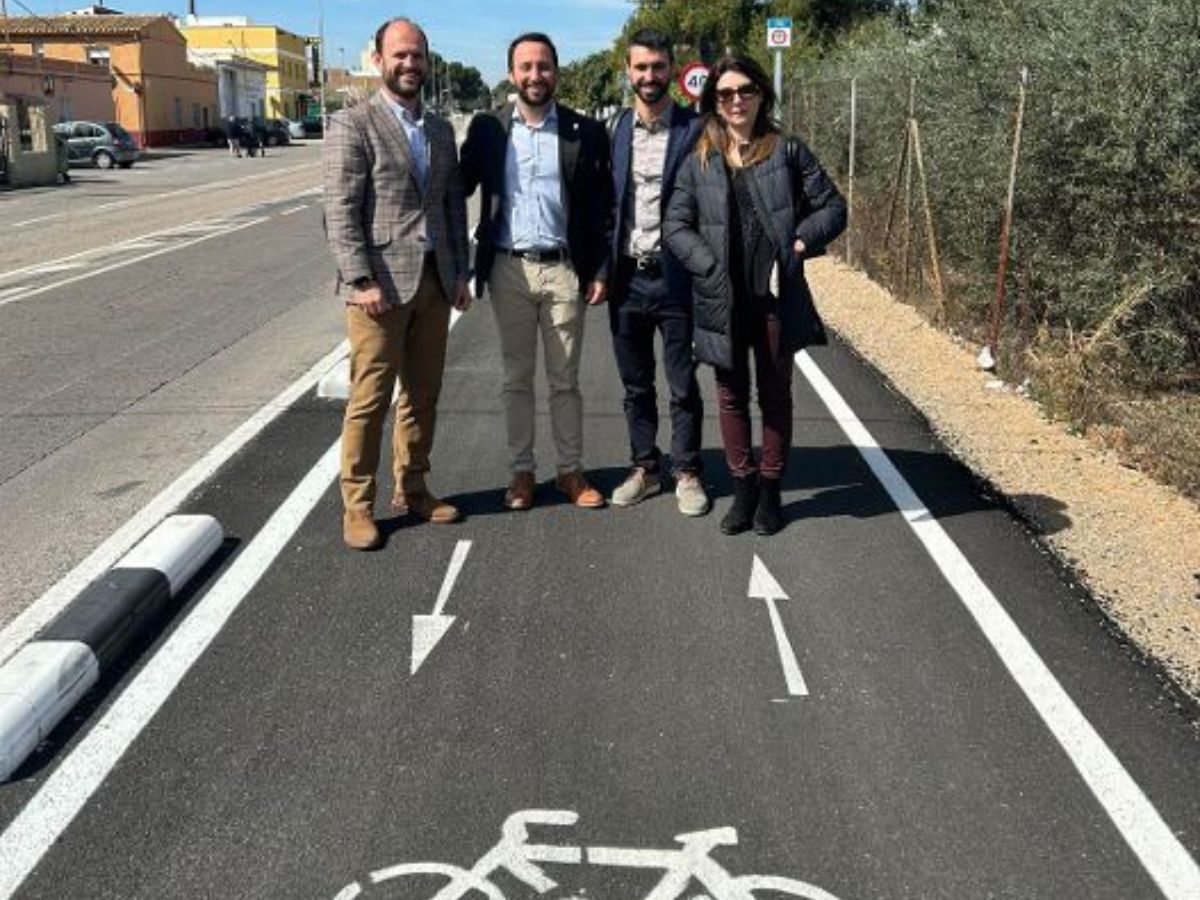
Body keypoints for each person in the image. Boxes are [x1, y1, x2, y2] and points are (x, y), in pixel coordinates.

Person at [663, 55, 846, 536]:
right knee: (730, 396)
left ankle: (770, 492)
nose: (736, 100)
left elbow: (833, 207)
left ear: (762, 93)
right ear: (713, 102)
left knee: (776, 395)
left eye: (745, 90)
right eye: (725, 94)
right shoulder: (699, 157)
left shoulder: (786, 150)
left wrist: (800, 243)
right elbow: (675, 226)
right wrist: (708, 268)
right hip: (722, 300)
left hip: (774, 298)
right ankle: (742, 490)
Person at [323, 16, 471, 550]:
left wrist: (460, 274)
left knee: (423, 395)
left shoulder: (438, 130)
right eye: (400, 55)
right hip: (378, 290)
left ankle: (413, 488)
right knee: (369, 399)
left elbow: (453, 206)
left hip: (434, 284)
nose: (410, 64)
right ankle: (357, 505)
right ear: (378, 60)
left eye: (417, 55)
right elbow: (340, 211)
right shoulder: (353, 124)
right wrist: (359, 278)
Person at [460, 32, 612, 511]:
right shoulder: (488, 129)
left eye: (543, 66)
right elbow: (456, 186)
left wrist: (601, 269)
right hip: (509, 270)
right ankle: (521, 473)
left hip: (565, 270)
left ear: (556, 72)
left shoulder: (582, 131)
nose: (534, 75)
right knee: (516, 378)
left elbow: (601, 207)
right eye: (525, 67)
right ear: (512, 74)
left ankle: (570, 471)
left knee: (565, 380)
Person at [605, 28, 708, 516]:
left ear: (671, 68)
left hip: (676, 279)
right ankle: (645, 467)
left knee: (683, 383)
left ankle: (687, 471)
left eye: (657, 67)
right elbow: (606, 204)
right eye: (641, 67)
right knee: (635, 384)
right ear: (629, 71)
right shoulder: (616, 129)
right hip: (626, 279)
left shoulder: (696, 130)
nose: (649, 76)